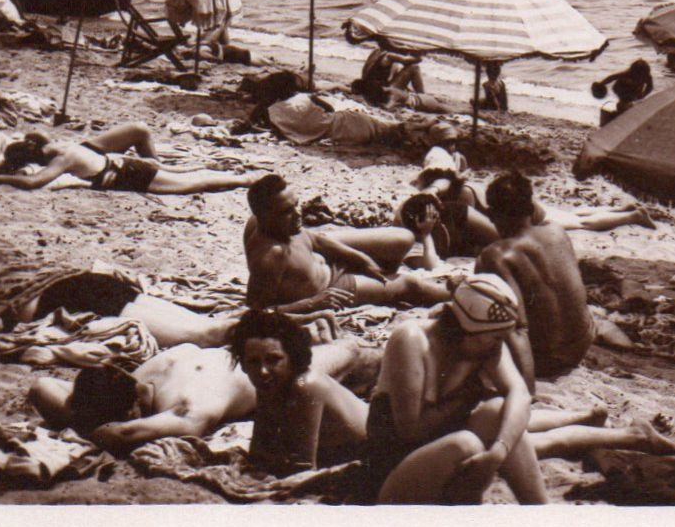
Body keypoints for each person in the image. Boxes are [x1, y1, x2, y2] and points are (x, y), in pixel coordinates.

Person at [363, 274, 675, 503]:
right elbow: (410, 430)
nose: (501, 346)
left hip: (444, 453)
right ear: (465, 329)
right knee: (468, 443)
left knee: (501, 417)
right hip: (392, 475)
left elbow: (520, 396)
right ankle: (625, 434)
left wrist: (498, 451)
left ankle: (538, 512)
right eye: (494, 337)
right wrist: (469, 398)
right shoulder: (412, 341)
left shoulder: (481, 345)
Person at [29, 333, 361, 452]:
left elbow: (119, 432)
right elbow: (42, 386)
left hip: (261, 365)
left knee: (350, 352)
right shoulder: (145, 385)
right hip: (249, 364)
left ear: (130, 408)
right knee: (343, 350)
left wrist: (80, 425)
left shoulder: (183, 402)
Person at [244, 173, 451, 313]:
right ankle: (459, 295)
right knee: (410, 285)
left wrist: (361, 260)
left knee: (403, 239)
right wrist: (311, 303)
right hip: (332, 287)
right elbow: (258, 312)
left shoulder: (282, 227)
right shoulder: (271, 255)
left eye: (296, 205)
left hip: (328, 264)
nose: (298, 214)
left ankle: (384, 273)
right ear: (264, 216)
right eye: (287, 211)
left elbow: (317, 241)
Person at [474, 170, 595, 381]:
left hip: (546, 360)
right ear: (530, 208)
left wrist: (527, 387)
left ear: (493, 214)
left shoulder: (495, 256)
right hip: (582, 343)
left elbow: (517, 327)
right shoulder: (558, 232)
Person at [229, 308, 373, 474]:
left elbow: (302, 468)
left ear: (292, 358)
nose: (263, 370)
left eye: (273, 360)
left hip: (376, 453)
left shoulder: (305, 385)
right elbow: (259, 451)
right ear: (243, 366)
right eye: (253, 362)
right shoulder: (269, 384)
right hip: (340, 455)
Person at [0, 124, 264, 195]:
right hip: (121, 164)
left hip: (128, 172)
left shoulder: (61, 160)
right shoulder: (56, 146)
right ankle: (239, 176)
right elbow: (35, 134)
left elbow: (34, 183)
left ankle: (245, 180)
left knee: (192, 185)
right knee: (185, 176)